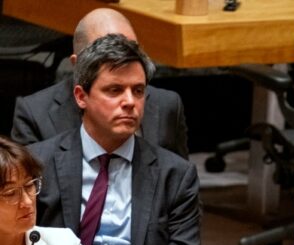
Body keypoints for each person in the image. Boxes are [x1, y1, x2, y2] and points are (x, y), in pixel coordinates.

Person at [28, 34, 213, 245]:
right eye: (115, 90)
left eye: (138, 91)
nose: (130, 102)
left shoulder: (175, 175)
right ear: (81, 96)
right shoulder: (37, 164)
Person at [11, 8, 189, 159]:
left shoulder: (167, 105)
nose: (123, 59)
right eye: (107, 52)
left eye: (131, 50)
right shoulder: (34, 113)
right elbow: (25, 193)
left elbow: (182, 187)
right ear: (77, 64)